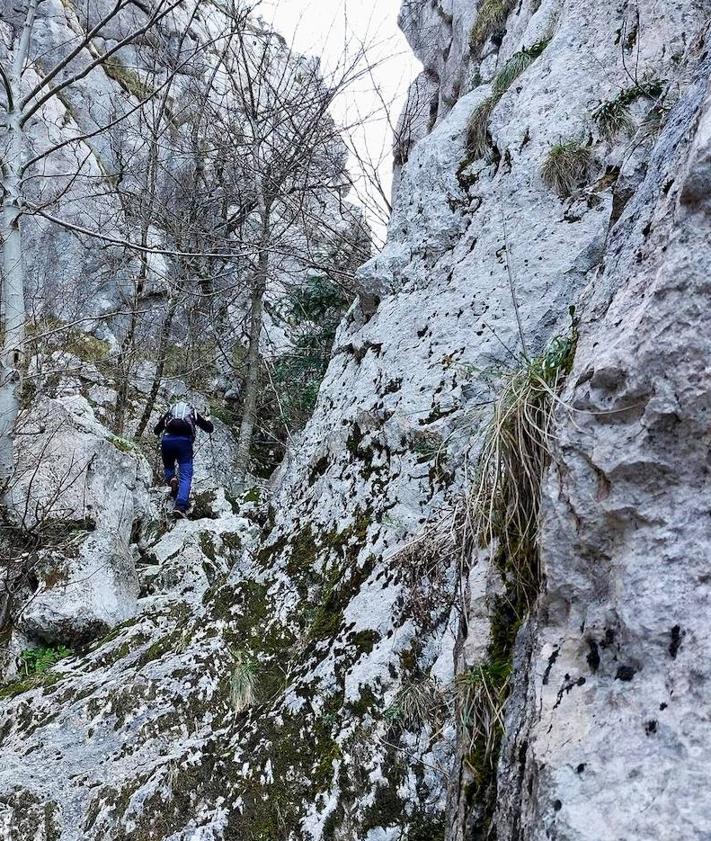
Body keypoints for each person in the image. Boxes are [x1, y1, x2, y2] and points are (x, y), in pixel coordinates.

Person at [154, 401, 214, 517]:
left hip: (167, 441)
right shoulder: (192, 412)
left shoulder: (171, 411)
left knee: (169, 466)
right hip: (184, 443)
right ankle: (180, 506)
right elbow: (209, 428)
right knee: (185, 475)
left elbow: (157, 430)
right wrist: (208, 420)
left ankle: (172, 479)